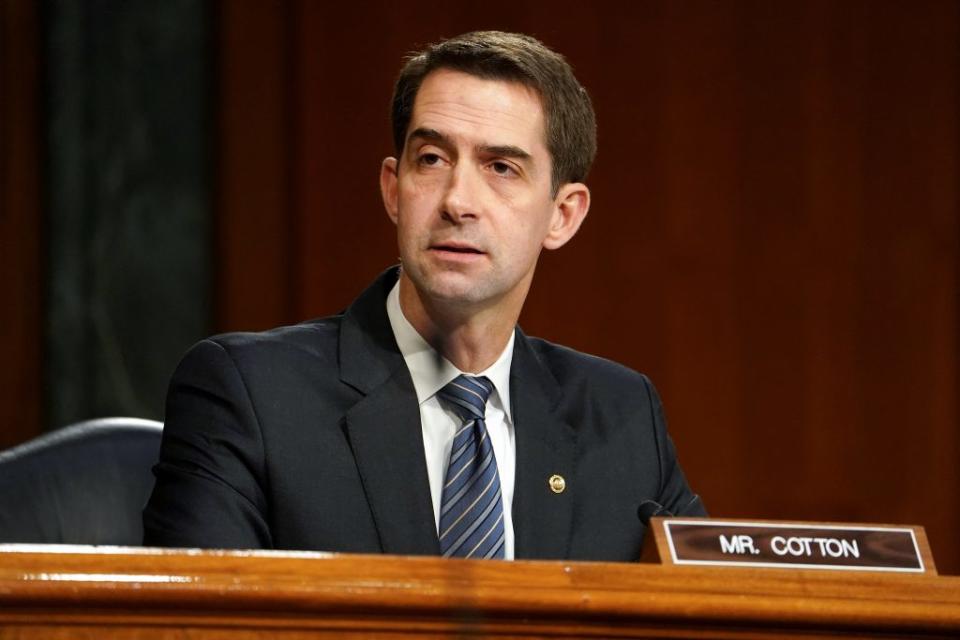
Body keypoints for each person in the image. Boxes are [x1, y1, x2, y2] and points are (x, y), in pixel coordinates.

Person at [143, 30, 705, 561]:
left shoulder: (622, 415)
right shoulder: (249, 395)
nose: (457, 200)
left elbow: (714, 607)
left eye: (501, 167)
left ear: (562, 215)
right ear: (394, 189)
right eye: (432, 159)